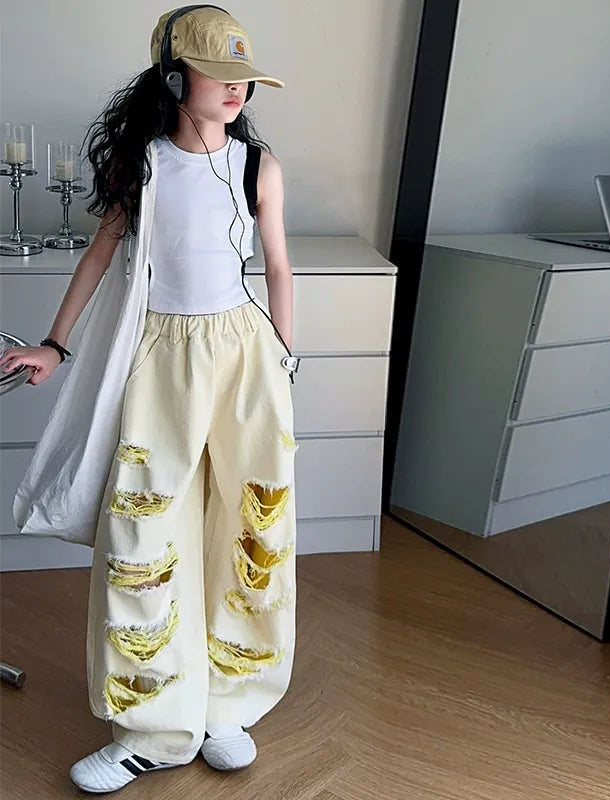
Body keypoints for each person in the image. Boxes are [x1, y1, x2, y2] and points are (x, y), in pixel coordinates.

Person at [0, 5, 298, 793]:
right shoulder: (145, 168)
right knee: (144, 533)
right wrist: (54, 344)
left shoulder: (258, 168)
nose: (235, 90)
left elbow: (277, 267)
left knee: (249, 523)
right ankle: (153, 727)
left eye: (243, 77)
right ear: (172, 77)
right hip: (162, 359)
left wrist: (284, 356)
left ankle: (228, 704)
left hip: (244, 358)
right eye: (216, 73)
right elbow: (100, 257)